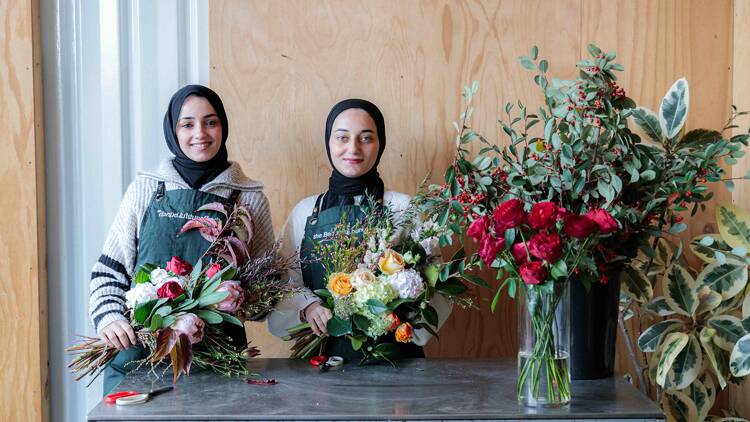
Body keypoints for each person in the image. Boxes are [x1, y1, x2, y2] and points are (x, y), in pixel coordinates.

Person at [88, 85, 274, 394]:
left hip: (215, 361)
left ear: (223, 127)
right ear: (173, 130)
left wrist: (238, 299)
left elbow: (269, 286)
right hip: (139, 355)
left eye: (210, 122)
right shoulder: (145, 189)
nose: (200, 132)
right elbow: (110, 270)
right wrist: (108, 318)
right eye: (187, 124)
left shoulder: (249, 198)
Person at [268, 99, 451, 361]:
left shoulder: (403, 207)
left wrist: (395, 312)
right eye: (342, 137)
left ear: (380, 144)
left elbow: (437, 284)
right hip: (322, 360)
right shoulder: (305, 212)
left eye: (366, 138)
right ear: (328, 143)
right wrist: (306, 307)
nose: (353, 148)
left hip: (394, 360)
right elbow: (283, 283)